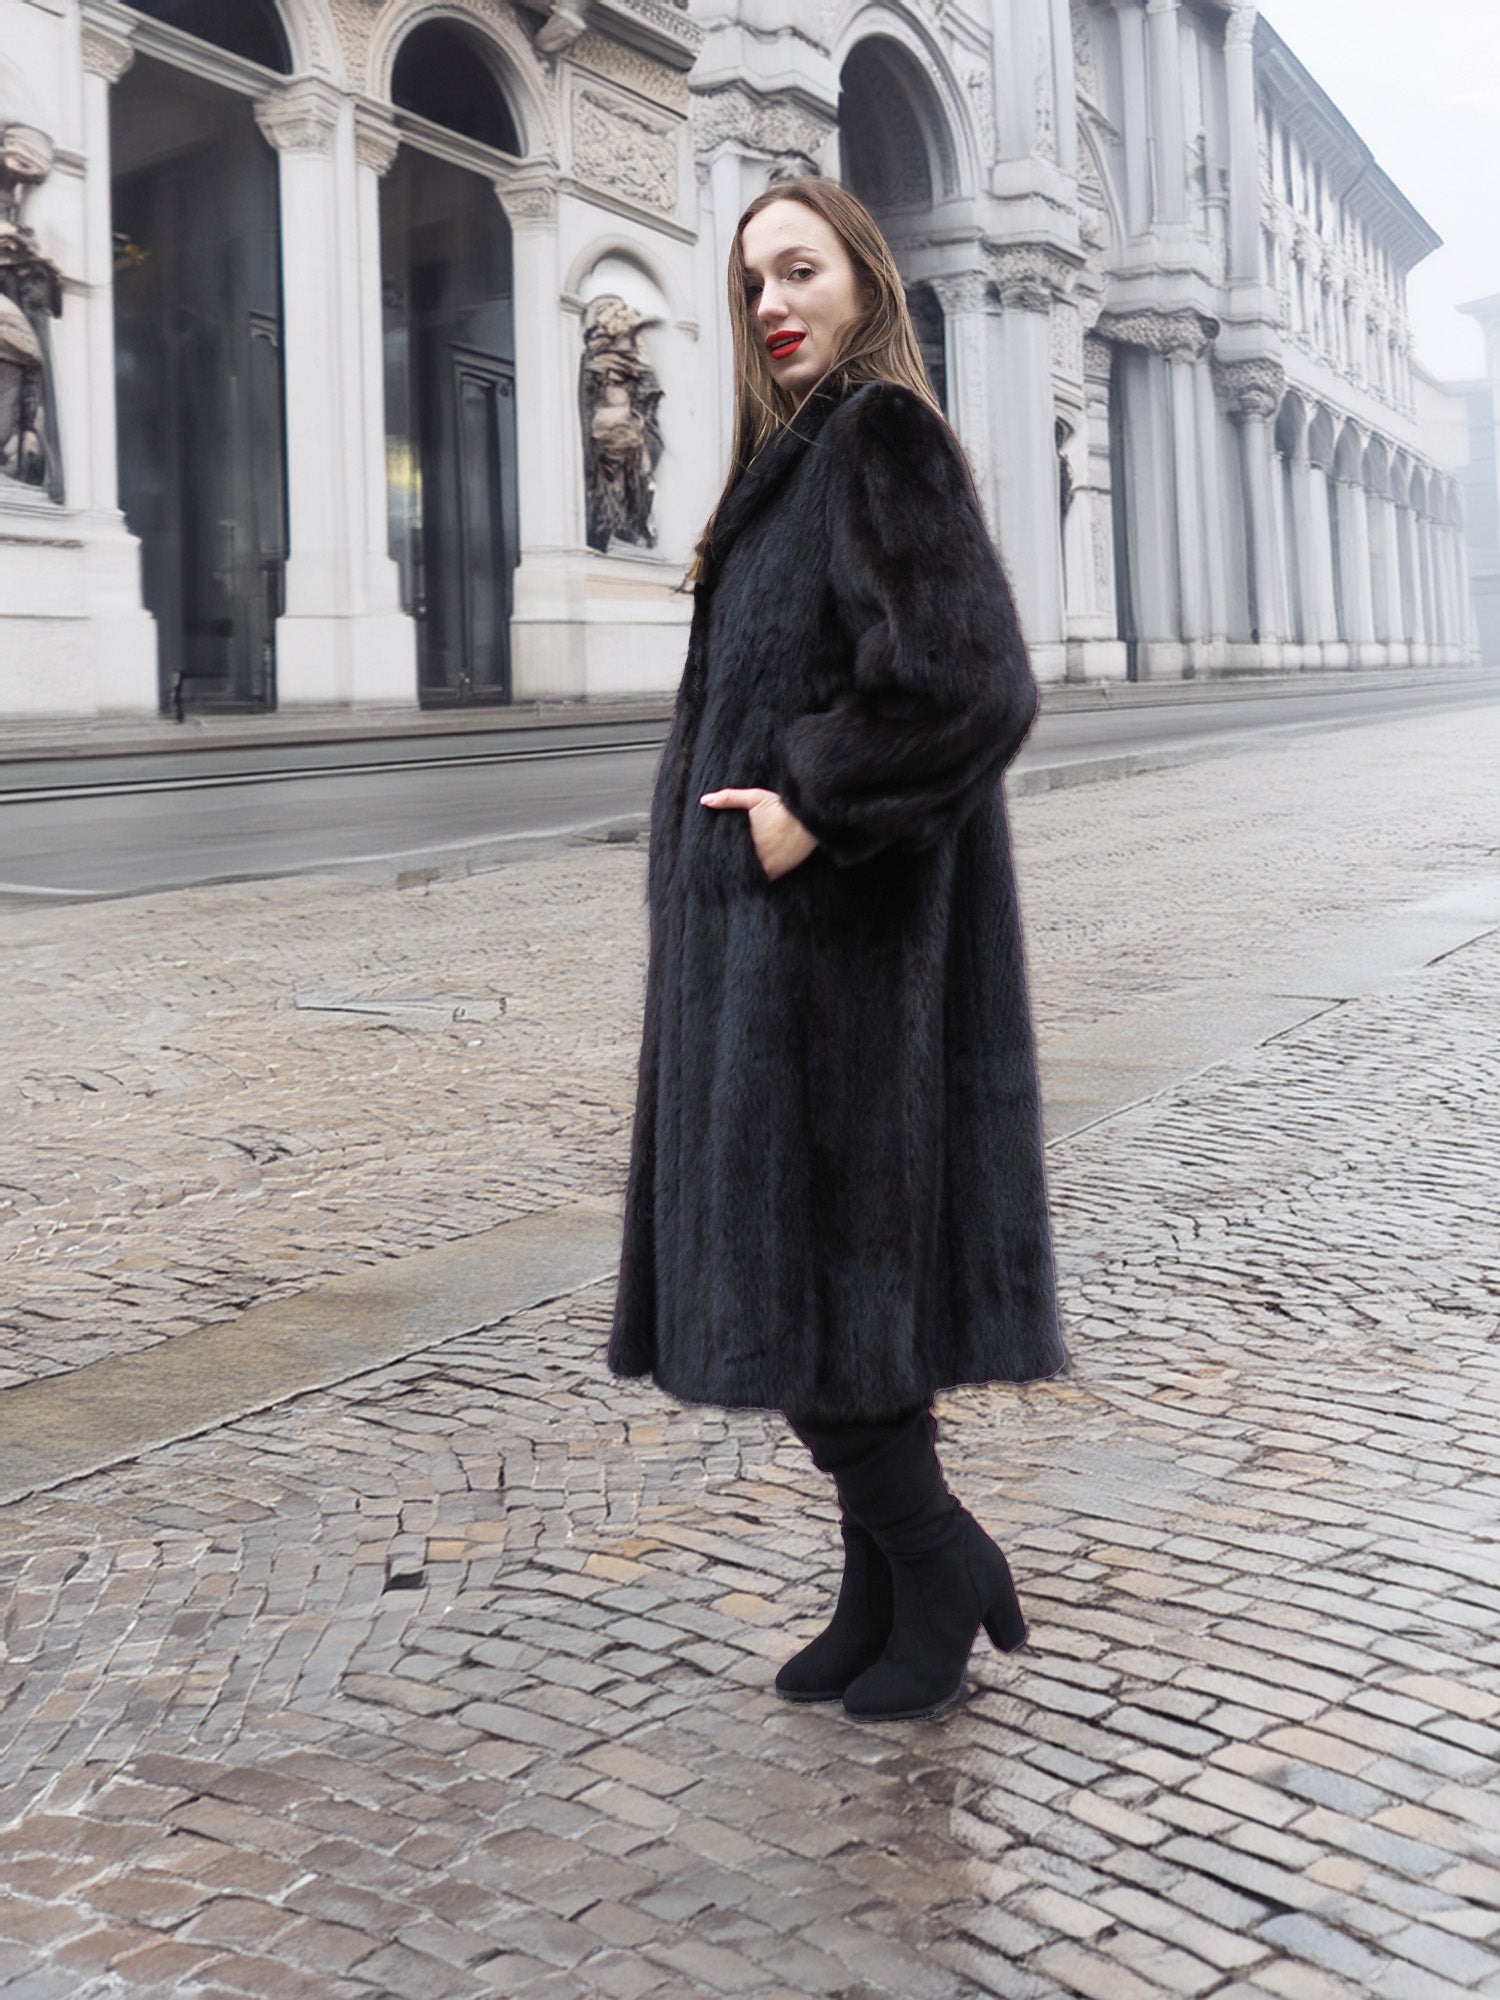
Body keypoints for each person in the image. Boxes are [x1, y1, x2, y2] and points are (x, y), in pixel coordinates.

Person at [608, 177, 1067, 1723]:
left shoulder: (876, 439)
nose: (772, 305)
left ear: (867, 278)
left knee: (809, 1277)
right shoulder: (791, 463)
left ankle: (935, 1561)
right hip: (786, 962)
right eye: (749, 285)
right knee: (847, 1298)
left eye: (799, 270)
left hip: (840, 965)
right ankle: (887, 1585)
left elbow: (970, 685)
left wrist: (812, 797)